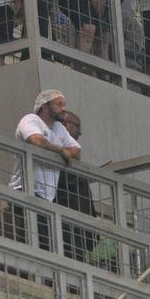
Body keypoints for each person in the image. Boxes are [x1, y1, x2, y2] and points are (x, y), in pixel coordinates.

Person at [11, 89, 80, 250]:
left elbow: (77, 152)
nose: (63, 108)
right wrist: (61, 151)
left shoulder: (59, 128)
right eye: (58, 104)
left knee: (47, 243)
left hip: (47, 197)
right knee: (36, 242)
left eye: (64, 104)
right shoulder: (31, 120)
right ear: (45, 106)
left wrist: (62, 151)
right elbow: (36, 140)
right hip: (26, 191)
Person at [53, 110, 99, 263]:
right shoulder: (53, 147)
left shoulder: (72, 154)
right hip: (63, 219)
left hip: (79, 224)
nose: (80, 132)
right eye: (77, 126)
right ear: (65, 124)